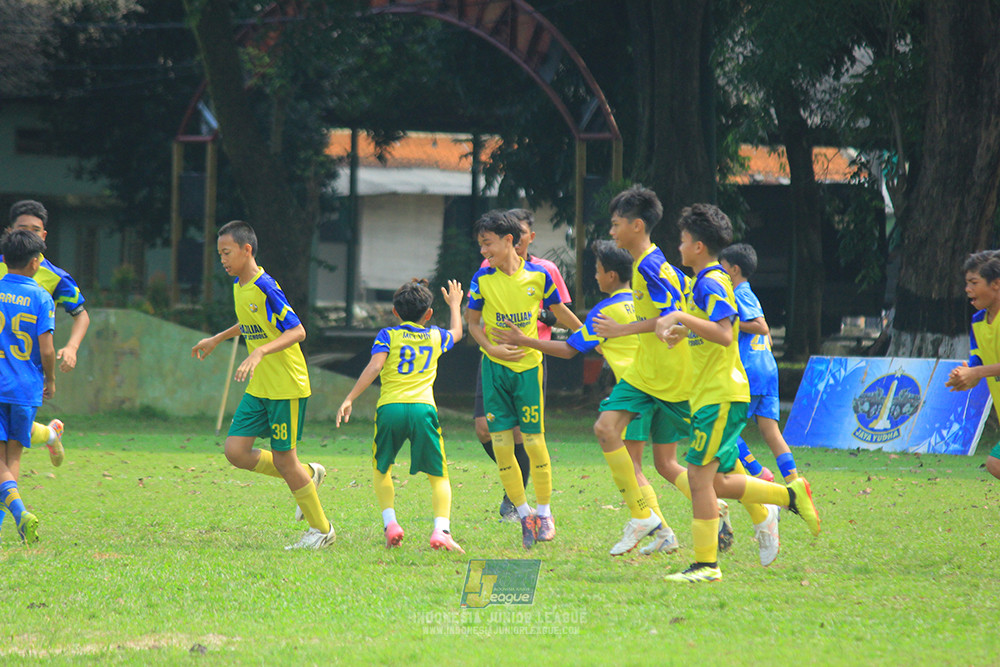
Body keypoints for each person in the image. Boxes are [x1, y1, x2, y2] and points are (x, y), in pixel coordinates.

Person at [655, 204, 820, 583]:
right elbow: (714, 330)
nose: (678, 247)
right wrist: (684, 330)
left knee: (699, 477)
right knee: (715, 480)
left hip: (720, 394)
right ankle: (789, 497)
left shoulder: (711, 281)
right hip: (714, 395)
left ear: (697, 246)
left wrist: (679, 318)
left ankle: (706, 565)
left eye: (681, 241)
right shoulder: (708, 281)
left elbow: (726, 332)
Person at [495, 240, 672, 554]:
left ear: (612, 276)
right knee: (644, 466)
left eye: (598, 270)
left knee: (636, 465)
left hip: (633, 392)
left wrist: (525, 340)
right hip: (658, 387)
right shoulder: (642, 304)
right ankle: (661, 530)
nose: (595, 276)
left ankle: (653, 518)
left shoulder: (605, 311)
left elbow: (567, 350)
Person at [192, 220, 334, 550]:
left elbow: (297, 331)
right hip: (261, 387)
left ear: (247, 250)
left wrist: (260, 352)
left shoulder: (266, 285)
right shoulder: (240, 286)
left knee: (285, 460)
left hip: (286, 385)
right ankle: (308, 475)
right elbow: (252, 322)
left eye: (226, 253)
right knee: (236, 451)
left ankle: (322, 530)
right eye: (219, 254)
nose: (223, 260)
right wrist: (217, 338)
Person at [467, 209, 582, 550]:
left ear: (509, 241)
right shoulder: (482, 277)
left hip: (529, 369)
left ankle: (545, 513)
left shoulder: (540, 275)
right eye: (480, 245)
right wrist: (491, 348)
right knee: (502, 445)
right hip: (494, 369)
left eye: (488, 244)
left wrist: (590, 336)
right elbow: (473, 323)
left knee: (532, 441)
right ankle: (523, 512)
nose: (483, 251)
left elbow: (560, 313)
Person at [335, 278, 466, 552]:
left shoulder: (387, 335)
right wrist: (455, 304)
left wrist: (350, 398)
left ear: (395, 312)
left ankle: (391, 524)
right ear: (428, 314)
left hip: (390, 409)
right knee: (439, 476)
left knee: (382, 468)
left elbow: (373, 368)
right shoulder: (435, 336)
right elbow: (457, 332)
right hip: (423, 410)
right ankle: (441, 530)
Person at [3, 200, 89, 467]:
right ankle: (51, 434)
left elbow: (81, 315)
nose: (29, 234)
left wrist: (72, 347)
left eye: (35, 229)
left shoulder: (55, 277)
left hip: (26, 372)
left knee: (13, 438)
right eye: (22, 228)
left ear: (44, 236)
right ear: (10, 232)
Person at [718, 243, 799, 484]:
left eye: (721, 267)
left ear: (733, 270)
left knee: (724, 427)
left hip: (751, 371)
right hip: (767, 369)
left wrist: (729, 323)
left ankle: (757, 473)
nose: (718, 272)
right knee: (771, 432)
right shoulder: (748, 294)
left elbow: (762, 327)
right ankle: (795, 483)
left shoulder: (740, 293)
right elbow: (767, 336)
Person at [0, 229, 56, 544]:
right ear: (35, 263)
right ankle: (16, 520)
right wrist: (50, 379)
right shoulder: (40, 296)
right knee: (13, 457)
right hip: (24, 388)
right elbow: (46, 349)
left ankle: (20, 513)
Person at [945, 250, 1000, 481]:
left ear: (996, 284)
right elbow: (979, 358)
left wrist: (977, 371)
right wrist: (967, 373)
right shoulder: (978, 320)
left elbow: (981, 368)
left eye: (973, 283)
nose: (968, 289)